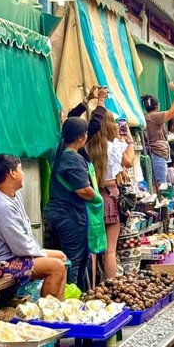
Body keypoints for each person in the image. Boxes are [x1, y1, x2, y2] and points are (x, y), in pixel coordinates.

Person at [0, 155, 67, 299]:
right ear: (12, 173)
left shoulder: (13, 195)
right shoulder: (1, 206)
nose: (22, 174)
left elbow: (24, 235)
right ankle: (47, 312)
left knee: (62, 257)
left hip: (13, 254)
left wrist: (40, 252)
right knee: (57, 267)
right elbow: (21, 246)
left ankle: (59, 308)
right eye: (20, 169)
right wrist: (40, 253)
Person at [44, 118, 105, 291]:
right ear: (80, 137)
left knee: (75, 257)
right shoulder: (73, 159)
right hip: (69, 215)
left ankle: (77, 293)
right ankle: (71, 297)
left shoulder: (60, 153)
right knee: (74, 259)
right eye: (86, 133)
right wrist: (97, 198)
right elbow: (83, 190)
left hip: (59, 213)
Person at [89, 112, 135, 279]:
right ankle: (110, 285)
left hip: (92, 198)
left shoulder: (87, 147)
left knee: (93, 250)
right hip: (111, 196)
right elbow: (129, 162)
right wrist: (129, 140)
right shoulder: (114, 146)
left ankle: (93, 287)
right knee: (110, 250)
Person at [142, 82, 174, 186]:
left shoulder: (147, 117)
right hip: (157, 155)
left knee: (159, 185)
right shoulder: (154, 116)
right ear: (157, 106)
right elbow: (173, 111)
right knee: (160, 186)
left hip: (155, 154)